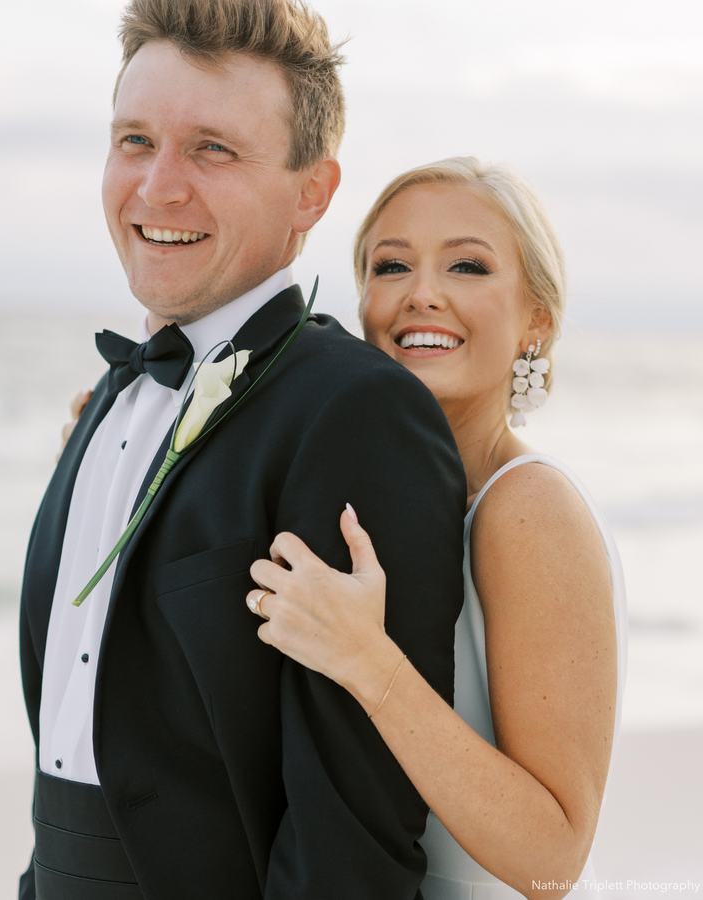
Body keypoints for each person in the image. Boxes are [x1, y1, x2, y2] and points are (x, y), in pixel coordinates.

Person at [19, 2, 468, 898]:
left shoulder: (358, 413)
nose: (157, 188)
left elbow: (353, 834)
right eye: (136, 140)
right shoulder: (114, 395)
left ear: (313, 191)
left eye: (213, 149)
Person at [244, 157, 628, 900]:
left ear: (536, 319)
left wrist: (367, 661)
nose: (421, 295)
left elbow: (553, 856)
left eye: (467, 266)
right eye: (391, 266)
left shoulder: (527, 508)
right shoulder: (386, 501)